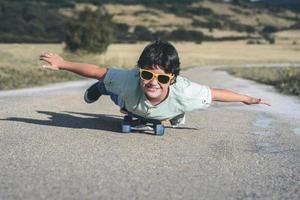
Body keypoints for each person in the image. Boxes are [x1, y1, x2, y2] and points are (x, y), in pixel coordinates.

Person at [39, 40, 270, 126]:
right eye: (147, 74)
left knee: (179, 115)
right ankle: (103, 90)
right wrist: (63, 63)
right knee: (119, 94)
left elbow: (215, 93)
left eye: (161, 78)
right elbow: (98, 71)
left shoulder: (186, 93)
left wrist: (246, 99)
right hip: (131, 100)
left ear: (172, 78)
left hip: (172, 105)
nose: (152, 82)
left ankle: (175, 114)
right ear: (140, 71)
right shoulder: (131, 79)